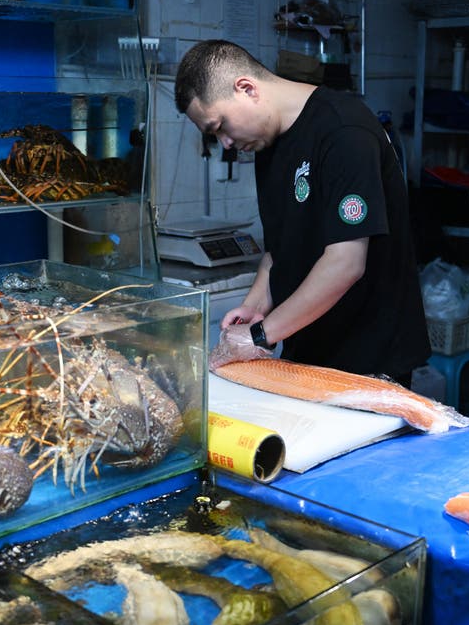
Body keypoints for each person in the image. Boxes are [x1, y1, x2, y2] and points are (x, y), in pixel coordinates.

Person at [174, 39, 430, 384]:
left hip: (369, 358)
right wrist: (254, 308)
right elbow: (278, 250)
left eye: (219, 127)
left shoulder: (344, 131)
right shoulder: (268, 141)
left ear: (246, 89)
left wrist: (261, 335)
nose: (226, 143)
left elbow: (345, 263)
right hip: (310, 348)